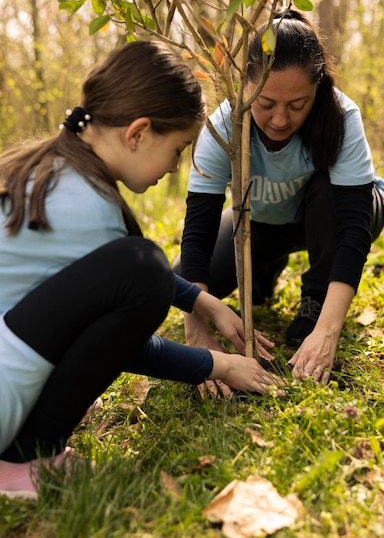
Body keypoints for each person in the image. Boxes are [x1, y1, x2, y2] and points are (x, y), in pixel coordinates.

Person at [0, 40, 282, 500]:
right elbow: (126, 342)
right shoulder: (87, 208)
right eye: (176, 150)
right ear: (138, 133)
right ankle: (22, 461)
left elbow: (95, 286)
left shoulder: (52, 172)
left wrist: (198, 297)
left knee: (142, 270)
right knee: (145, 269)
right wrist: (220, 365)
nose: (173, 168)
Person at [174, 8, 384, 393]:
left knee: (325, 194)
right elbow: (199, 229)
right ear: (247, 86)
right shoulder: (223, 126)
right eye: (267, 102)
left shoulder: (342, 118)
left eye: (297, 105)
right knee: (185, 282)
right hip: (263, 220)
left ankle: (315, 299)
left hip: (336, 215)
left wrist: (327, 332)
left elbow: (354, 231)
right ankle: (264, 268)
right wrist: (198, 338)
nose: (279, 120)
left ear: (317, 90)